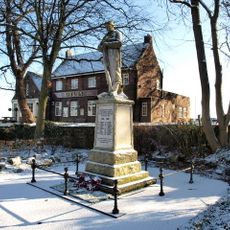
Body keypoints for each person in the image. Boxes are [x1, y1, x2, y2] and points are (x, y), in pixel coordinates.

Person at [98, 21, 123, 94]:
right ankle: (110, 87)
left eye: (108, 26)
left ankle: (116, 87)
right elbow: (99, 47)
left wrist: (107, 44)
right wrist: (102, 46)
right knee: (108, 71)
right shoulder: (106, 36)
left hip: (114, 53)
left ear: (113, 26)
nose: (107, 28)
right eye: (106, 27)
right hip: (106, 54)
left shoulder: (117, 33)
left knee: (114, 69)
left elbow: (119, 43)